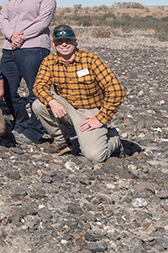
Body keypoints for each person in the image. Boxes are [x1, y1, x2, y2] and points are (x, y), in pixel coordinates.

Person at [32, 25, 125, 162]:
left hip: (90, 112)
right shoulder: (49, 61)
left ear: (75, 41)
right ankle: (62, 142)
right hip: (67, 108)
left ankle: (113, 138)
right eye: (59, 41)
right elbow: (39, 86)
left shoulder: (91, 60)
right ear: (53, 43)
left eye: (68, 40)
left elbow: (116, 90)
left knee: (95, 156)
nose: (64, 44)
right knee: (38, 104)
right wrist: (52, 101)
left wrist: (100, 118)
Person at [0, 0, 56, 144]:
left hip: (34, 48)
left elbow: (42, 22)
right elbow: (3, 17)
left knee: (36, 92)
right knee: (6, 89)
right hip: (9, 48)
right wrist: (11, 35)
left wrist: (20, 37)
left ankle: (34, 130)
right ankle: (21, 122)